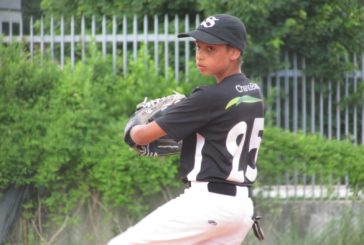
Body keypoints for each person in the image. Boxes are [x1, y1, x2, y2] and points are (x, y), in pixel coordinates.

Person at [108, 13, 265, 245]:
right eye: (197, 47)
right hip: (240, 209)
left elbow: (141, 137)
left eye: (210, 49)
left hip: (206, 205)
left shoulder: (209, 97)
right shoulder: (253, 92)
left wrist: (133, 128)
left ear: (234, 52)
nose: (200, 56)